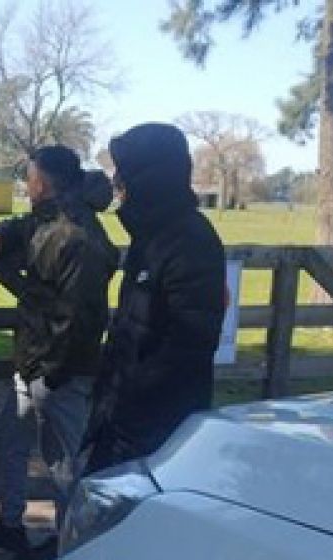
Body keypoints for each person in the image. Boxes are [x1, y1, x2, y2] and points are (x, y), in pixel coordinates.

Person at [0, 145, 119, 560]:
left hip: (60, 372)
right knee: (12, 441)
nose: (26, 182)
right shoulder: (49, 219)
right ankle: (10, 524)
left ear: (43, 181)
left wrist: (52, 373)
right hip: (34, 363)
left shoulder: (76, 236)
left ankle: (69, 546)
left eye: (29, 175)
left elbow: (81, 318)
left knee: (64, 463)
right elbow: (22, 226)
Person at [83, 122, 226, 475]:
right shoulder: (149, 238)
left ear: (151, 177)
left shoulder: (190, 242)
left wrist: (133, 405)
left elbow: (188, 346)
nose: (118, 183)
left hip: (156, 429)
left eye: (124, 173)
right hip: (121, 420)